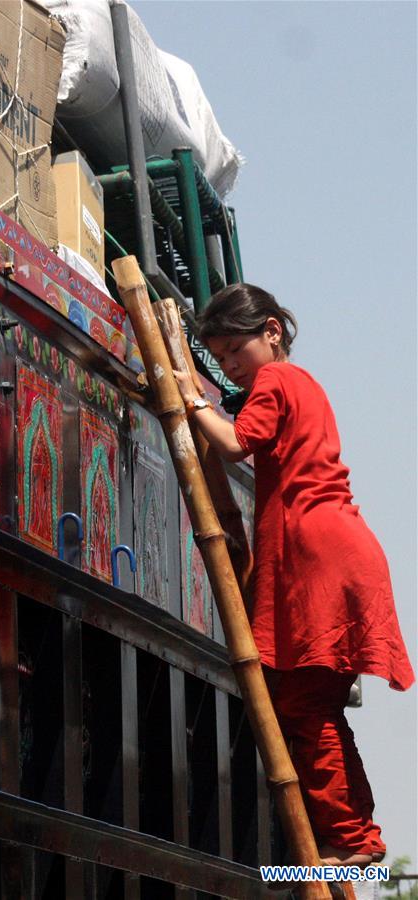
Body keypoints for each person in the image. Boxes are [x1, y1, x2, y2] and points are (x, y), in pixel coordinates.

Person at [173, 283, 414, 867]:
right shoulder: (299, 385)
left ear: (272, 332)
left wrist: (194, 399)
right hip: (335, 551)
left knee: (305, 708)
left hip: (320, 559)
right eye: (220, 357)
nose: (230, 365)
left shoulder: (276, 381)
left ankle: (352, 841)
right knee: (317, 707)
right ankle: (358, 837)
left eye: (236, 350)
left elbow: (235, 443)